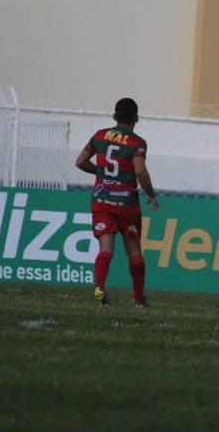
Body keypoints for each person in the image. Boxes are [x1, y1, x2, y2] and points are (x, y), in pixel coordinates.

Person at [75, 98, 159, 308]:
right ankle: (139, 299)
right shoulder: (137, 143)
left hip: (101, 198)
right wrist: (151, 194)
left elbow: (80, 162)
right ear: (136, 118)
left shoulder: (100, 135)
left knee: (105, 246)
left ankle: (100, 287)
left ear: (114, 117)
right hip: (126, 203)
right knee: (133, 249)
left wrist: (100, 171)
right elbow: (140, 172)